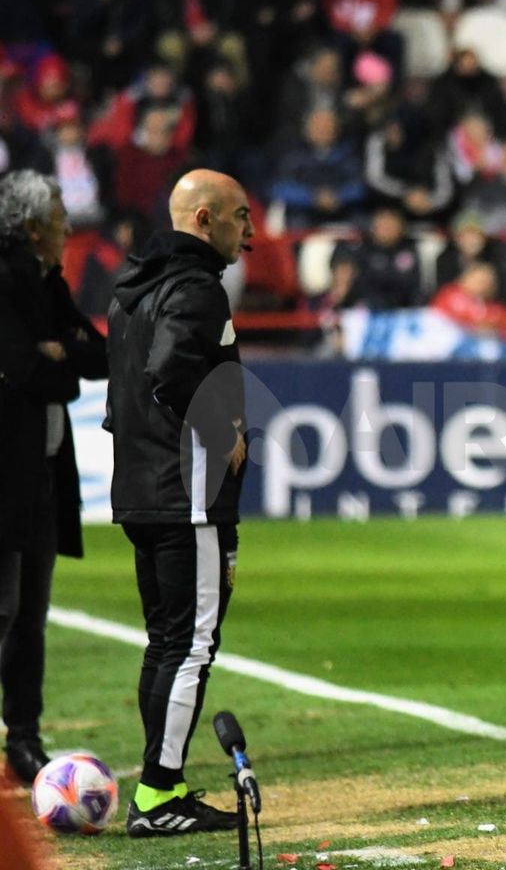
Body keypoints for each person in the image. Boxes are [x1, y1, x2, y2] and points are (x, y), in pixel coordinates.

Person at [105, 168, 252, 837]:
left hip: (142, 488)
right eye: (240, 216)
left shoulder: (134, 288)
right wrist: (222, 433)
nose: (250, 232)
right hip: (186, 494)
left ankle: (159, 785)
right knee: (191, 645)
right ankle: (159, 794)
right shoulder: (196, 289)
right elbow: (169, 374)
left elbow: (121, 396)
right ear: (204, 218)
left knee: (165, 643)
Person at [0, 170, 107, 784]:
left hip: (41, 472)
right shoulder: (5, 279)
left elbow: (96, 356)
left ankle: (24, 736)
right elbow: (22, 369)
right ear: (33, 226)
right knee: (4, 608)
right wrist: (59, 358)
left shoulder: (49, 282)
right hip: (5, 473)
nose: (69, 226)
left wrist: (60, 355)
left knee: (30, 613)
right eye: (61, 215)